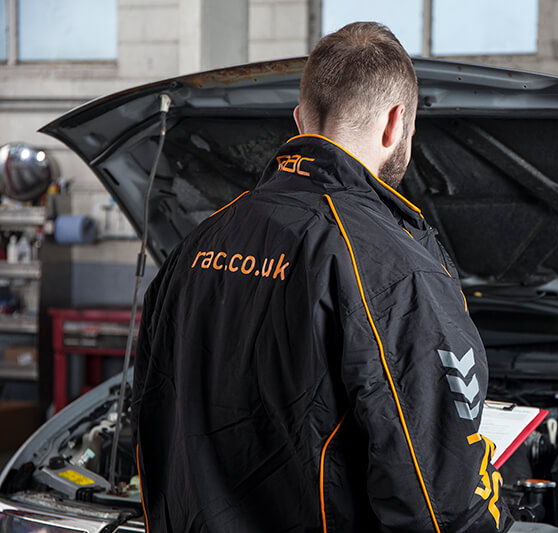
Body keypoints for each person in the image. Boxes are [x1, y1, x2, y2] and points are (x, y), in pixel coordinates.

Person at [132, 21, 511, 532]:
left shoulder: (196, 246)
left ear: (299, 120)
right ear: (396, 123)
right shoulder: (395, 271)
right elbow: (440, 508)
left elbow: (154, 427)